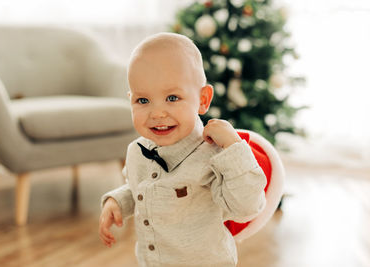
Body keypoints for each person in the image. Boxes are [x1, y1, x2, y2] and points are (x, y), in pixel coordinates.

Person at [99, 32, 266, 267]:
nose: (157, 113)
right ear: (130, 100)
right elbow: (140, 189)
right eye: (143, 101)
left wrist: (234, 147)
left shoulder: (216, 155)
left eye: (172, 97)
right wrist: (117, 202)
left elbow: (246, 208)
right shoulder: (137, 150)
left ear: (203, 100)